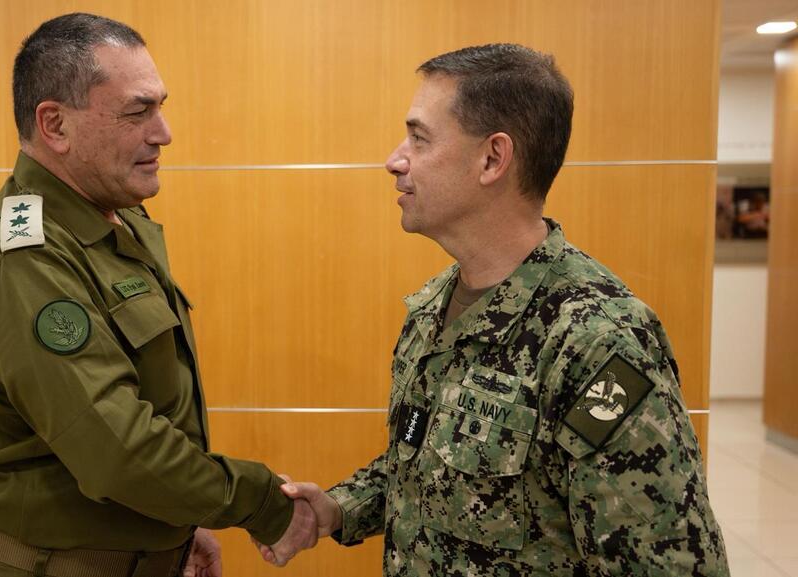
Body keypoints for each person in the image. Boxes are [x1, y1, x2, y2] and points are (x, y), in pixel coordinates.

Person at [263, 44, 730, 575]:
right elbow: (427, 473)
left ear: (492, 158)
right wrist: (338, 509)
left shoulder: (597, 339)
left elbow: (672, 563)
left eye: (419, 138)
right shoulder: (433, 308)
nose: (395, 160)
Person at [0, 13, 316, 577]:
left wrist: (177, 529)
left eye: (160, 107)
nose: (163, 132)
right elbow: (118, 449)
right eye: (138, 112)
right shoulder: (27, 258)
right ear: (55, 125)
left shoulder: (116, 219)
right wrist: (260, 501)